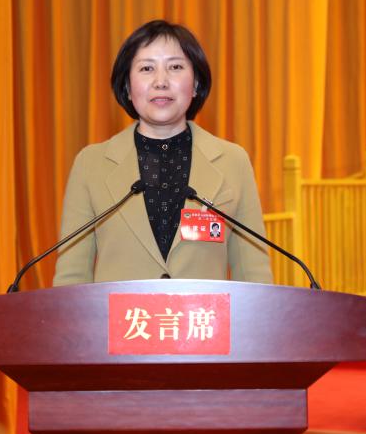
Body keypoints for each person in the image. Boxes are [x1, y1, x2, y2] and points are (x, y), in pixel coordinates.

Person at [52, 20, 273, 286]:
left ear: (196, 83)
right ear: (127, 86)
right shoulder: (91, 164)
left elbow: (254, 275)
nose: (161, 81)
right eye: (147, 68)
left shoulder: (232, 161)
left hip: (203, 314)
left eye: (175, 67)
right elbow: (72, 277)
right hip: (122, 315)